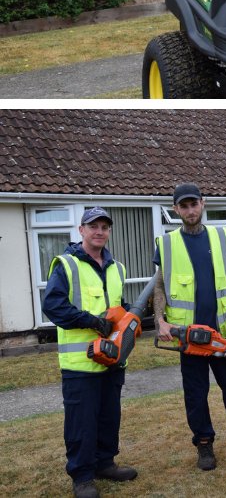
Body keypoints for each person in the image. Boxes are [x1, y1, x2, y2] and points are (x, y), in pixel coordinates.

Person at [153, 184, 226, 471]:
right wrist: (159, 320)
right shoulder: (167, 243)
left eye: (194, 204)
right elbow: (159, 285)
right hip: (189, 337)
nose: (190, 210)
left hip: (224, 333)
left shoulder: (221, 236)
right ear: (176, 210)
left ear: (203, 204)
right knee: (195, 394)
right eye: (184, 206)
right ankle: (204, 445)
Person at [42, 207, 138, 498]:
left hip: (112, 359)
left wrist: (130, 324)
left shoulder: (117, 268)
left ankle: (105, 463)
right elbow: (53, 306)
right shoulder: (67, 265)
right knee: (81, 421)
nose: (99, 231)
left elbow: (118, 304)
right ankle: (82, 476)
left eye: (104, 227)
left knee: (109, 416)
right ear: (81, 230)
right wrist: (92, 322)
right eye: (93, 226)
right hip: (80, 363)